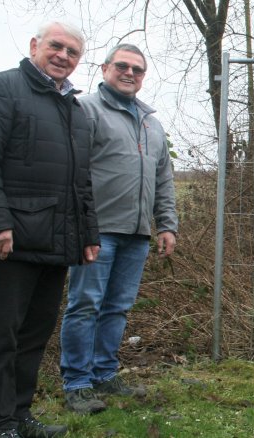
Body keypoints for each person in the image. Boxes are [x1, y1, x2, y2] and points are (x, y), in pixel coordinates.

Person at [0, 21, 100, 438]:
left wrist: (88, 234)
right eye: (56, 46)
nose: (63, 56)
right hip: (12, 241)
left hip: (56, 242)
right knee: (2, 337)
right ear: (35, 45)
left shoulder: (73, 109)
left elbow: (81, 181)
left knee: (34, 336)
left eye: (73, 52)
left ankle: (20, 416)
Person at [58, 43, 178, 414]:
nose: (130, 74)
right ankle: (77, 382)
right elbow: (71, 172)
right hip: (96, 231)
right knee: (84, 305)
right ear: (105, 68)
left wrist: (167, 225)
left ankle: (105, 374)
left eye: (138, 70)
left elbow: (164, 179)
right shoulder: (85, 110)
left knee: (118, 308)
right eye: (122, 66)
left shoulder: (151, 123)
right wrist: (80, 223)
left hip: (137, 234)